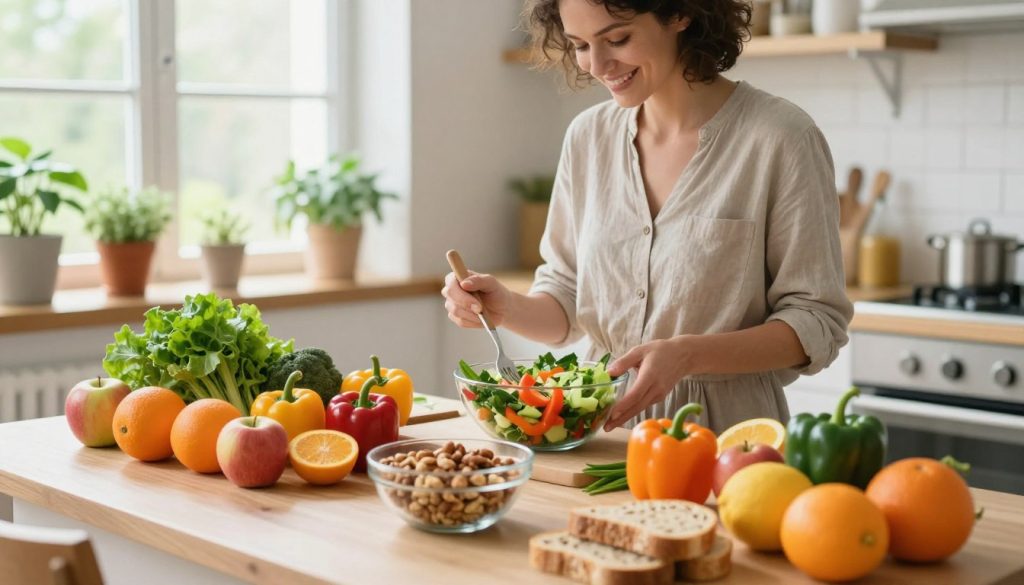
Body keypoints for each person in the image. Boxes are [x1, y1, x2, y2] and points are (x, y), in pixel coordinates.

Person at [441, 0, 853, 434]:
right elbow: (566, 297)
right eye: (580, 45)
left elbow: (815, 321)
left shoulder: (779, 138)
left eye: (617, 39)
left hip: (723, 440)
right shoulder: (588, 138)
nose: (597, 65)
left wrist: (690, 354)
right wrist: (507, 307)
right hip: (598, 433)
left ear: (679, 14)